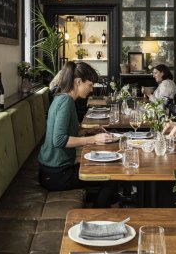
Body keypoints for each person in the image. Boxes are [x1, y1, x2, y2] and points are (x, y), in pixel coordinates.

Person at [38, 61, 117, 207]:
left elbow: (67, 132)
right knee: (111, 177)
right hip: (56, 174)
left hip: (52, 171)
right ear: (78, 82)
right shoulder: (66, 102)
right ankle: (97, 217)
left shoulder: (62, 98)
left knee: (107, 173)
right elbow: (59, 140)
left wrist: (87, 131)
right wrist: (93, 139)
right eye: (90, 85)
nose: (92, 90)